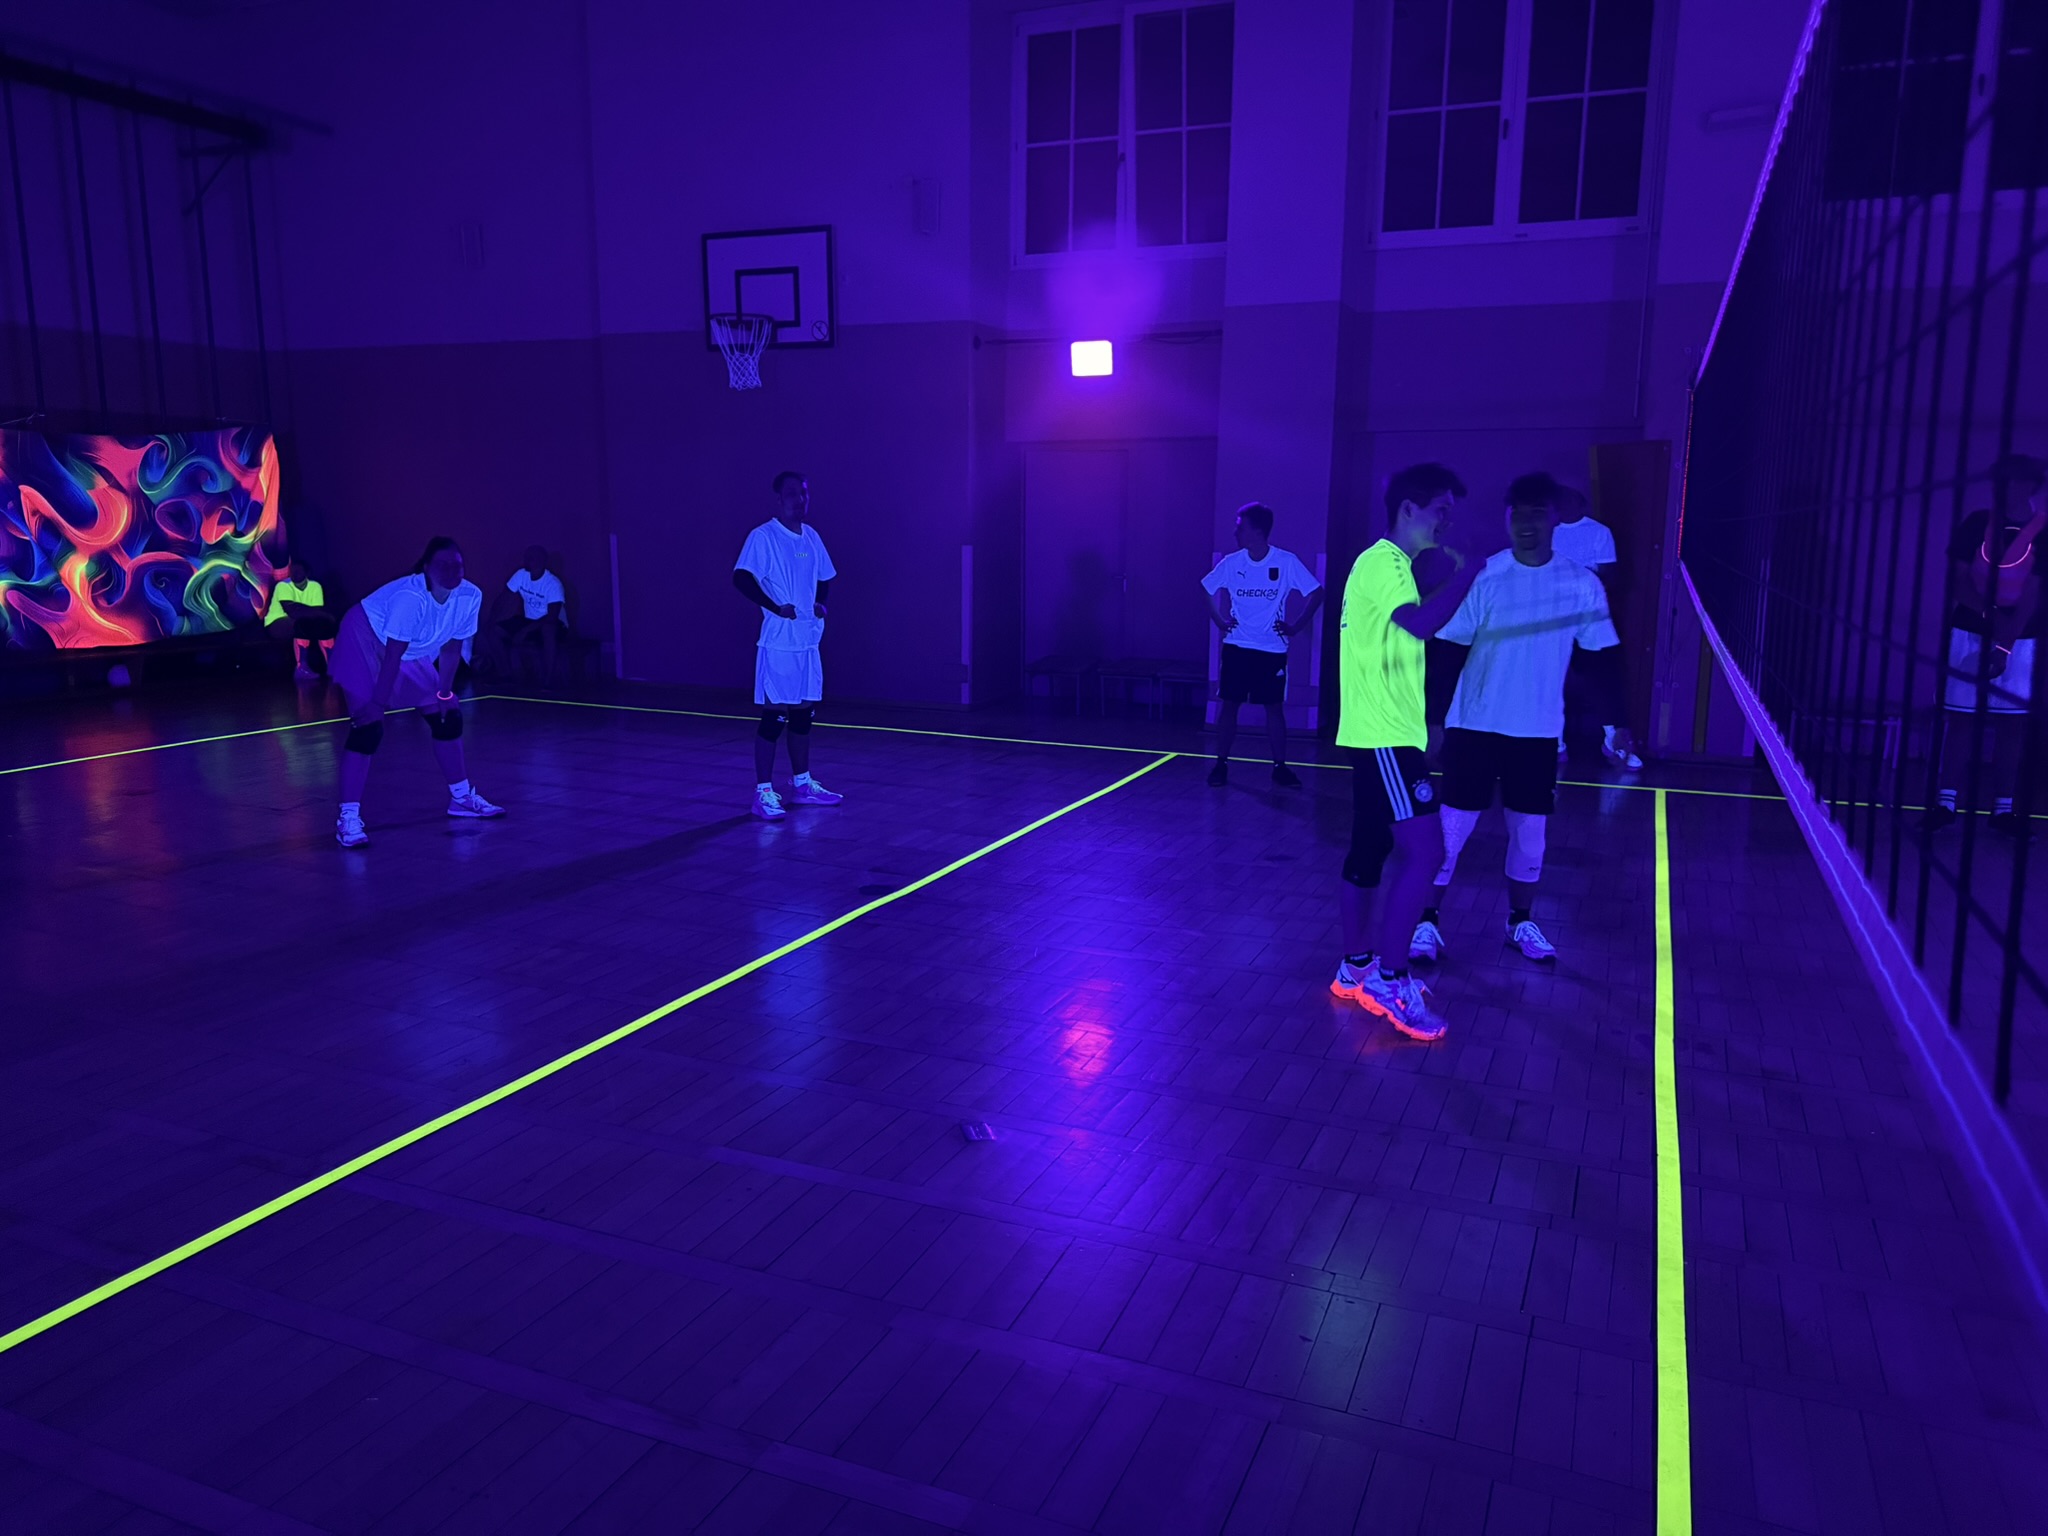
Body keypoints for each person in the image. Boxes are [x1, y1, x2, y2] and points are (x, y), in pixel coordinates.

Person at [1410, 473, 1623, 967]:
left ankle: (1519, 921)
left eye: (1536, 513)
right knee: (1451, 830)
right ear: (1507, 518)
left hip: (1537, 733)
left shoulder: (1581, 583)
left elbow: (1602, 657)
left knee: (1530, 835)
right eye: (1517, 514)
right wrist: (1435, 721)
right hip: (1474, 727)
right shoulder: (1486, 576)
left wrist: (1618, 720)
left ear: (1555, 519)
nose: (1526, 523)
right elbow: (1448, 651)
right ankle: (1426, 921)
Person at [1329, 463, 1483, 1042]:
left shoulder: (1383, 566)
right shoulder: (1386, 562)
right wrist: (1469, 577)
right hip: (1386, 738)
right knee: (1427, 851)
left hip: (1376, 733)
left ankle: (1354, 968)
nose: (1446, 522)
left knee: (1369, 850)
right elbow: (1419, 625)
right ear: (1409, 509)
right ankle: (1389, 981)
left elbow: (1409, 629)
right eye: (1441, 510)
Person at [329, 536, 504, 847]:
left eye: (457, 565)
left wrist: (445, 694)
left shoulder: (470, 595)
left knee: (447, 718)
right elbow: (392, 655)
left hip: (406, 649)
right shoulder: (411, 597)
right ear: (426, 568)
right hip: (364, 635)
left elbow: (452, 647)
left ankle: (461, 798)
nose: (452, 571)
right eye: (443, 565)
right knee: (368, 728)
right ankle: (348, 817)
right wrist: (377, 704)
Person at [1925, 453, 2044, 839]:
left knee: (2012, 724)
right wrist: (1992, 619)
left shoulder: (2043, 530)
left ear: (2033, 485)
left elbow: (2034, 593)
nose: (2009, 488)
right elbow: (1958, 581)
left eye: (2018, 480)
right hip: (1969, 631)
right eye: (2003, 481)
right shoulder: (1978, 523)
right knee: (1960, 719)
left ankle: (2003, 810)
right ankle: (1945, 804)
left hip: (2023, 638)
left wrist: (2005, 644)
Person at [734, 472, 844, 821]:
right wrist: (773, 606)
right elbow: (741, 577)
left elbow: (824, 576)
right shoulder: (763, 536)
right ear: (779, 499)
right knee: (774, 717)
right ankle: (763, 793)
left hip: (808, 641)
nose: (800, 500)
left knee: (803, 716)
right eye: (793, 494)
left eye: (804, 494)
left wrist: (820, 603)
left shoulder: (811, 536)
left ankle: (802, 784)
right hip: (780, 642)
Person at [1201, 502, 1324, 787]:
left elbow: (1316, 592)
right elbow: (1206, 587)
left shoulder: (1286, 561)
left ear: (1257, 531)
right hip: (1237, 647)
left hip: (1271, 650)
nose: (1236, 532)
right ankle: (1220, 765)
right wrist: (1219, 620)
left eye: (1240, 527)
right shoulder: (1232, 563)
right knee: (1229, 705)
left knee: (1273, 708)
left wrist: (1295, 626)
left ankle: (1280, 767)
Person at [1553, 484, 1642, 771]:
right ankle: (1554, 744)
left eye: (1568, 501)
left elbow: (1609, 576)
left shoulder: (1599, 532)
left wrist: (1582, 581)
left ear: (1580, 504)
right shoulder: (1548, 531)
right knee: (1550, 680)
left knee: (1603, 680)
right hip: (1553, 620)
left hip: (1590, 620)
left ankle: (1614, 742)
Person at [495, 545, 567, 683]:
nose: (527, 560)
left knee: (548, 630)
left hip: (552, 624)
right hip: (528, 621)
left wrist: (525, 631)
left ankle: (548, 680)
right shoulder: (521, 575)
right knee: (494, 631)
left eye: (532, 558)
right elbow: (504, 598)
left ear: (542, 561)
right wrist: (493, 617)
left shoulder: (553, 584)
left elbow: (552, 616)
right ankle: (505, 674)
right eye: (527, 557)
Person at [265, 559, 336, 679]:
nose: (295, 573)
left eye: (298, 570)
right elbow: (292, 611)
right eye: (293, 571)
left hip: (305, 621)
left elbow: (316, 611)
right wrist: (316, 613)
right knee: (302, 624)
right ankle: (301, 667)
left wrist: (304, 610)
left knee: (322, 625)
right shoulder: (283, 586)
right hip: (277, 622)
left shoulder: (315, 586)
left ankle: (333, 666)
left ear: (307, 572)